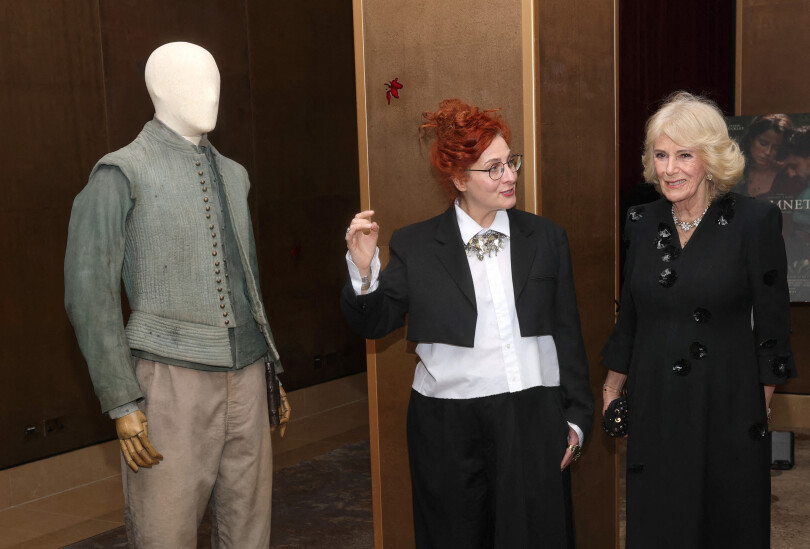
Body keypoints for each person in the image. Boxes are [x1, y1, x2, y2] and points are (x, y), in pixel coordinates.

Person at [65, 42, 289, 548]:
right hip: (169, 380)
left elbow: (248, 279)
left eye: (215, 81)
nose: (210, 95)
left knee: (250, 528)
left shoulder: (235, 174)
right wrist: (121, 399)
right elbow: (88, 293)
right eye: (193, 82)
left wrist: (271, 366)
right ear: (158, 90)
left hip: (249, 375)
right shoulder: (120, 172)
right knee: (165, 529)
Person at [341, 99, 593, 548]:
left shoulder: (546, 237)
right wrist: (364, 273)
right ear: (459, 179)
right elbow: (375, 323)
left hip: (533, 415)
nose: (511, 175)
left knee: (536, 535)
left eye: (510, 162)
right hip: (447, 424)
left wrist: (575, 417)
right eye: (493, 168)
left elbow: (567, 331)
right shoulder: (416, 244)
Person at [601, 92, 796, 548]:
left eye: (684, 155)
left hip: (727, 400)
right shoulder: (642, 221)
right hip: (656, 401)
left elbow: (773, 326)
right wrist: (612, 388)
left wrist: (758, 404)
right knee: (660, 518)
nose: (670, 169)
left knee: (726, 521)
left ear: (710, 159)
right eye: (661, 154)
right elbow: (630, 312)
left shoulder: (754, 221)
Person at [732, 113, 792, 198]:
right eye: (763, 143)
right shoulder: (735, 170)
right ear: (751, 138)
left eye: (775, 148)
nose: (768, 152)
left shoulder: (787, 175)